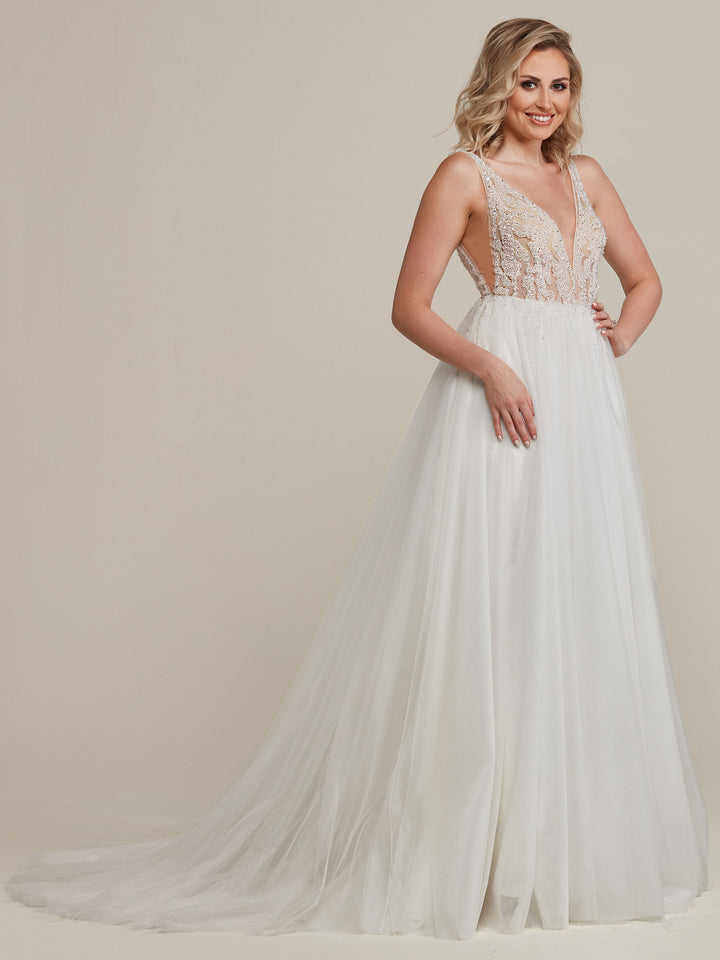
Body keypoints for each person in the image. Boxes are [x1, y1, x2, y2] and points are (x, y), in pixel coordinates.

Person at [5, 17, 709, 941]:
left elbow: (647, 279)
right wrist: (495, 368)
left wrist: (610, 335)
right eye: (529, 84)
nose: (545, 103)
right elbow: (408, 306)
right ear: (498, 84)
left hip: (586, 406)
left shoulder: (588, 176)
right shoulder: (465, 176)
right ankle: (471, 847)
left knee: (576, 594)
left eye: (560, 86)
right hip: (501, 389)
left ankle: (562, 845)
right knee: (492, 599)